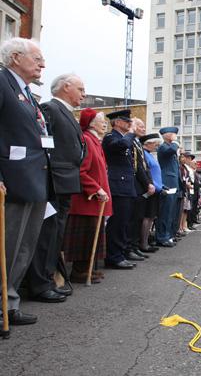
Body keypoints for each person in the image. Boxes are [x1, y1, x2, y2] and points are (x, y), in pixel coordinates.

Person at [0, 37, 48, 325]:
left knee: (24, 247)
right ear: (16, 57)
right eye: (37, 58)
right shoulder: (3, 82)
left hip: (34, 179)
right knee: (6, 246)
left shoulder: (27, 93)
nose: (43, 64)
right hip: (12, 181)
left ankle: (9, 302)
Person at [27, 73, 86, 302]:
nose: (84, 94)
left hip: (66, 180)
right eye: (80, 89)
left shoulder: (67, 112)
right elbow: (44, 143)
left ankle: (48, 278)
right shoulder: (50, 108)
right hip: (54, 179)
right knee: (47, 234)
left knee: (56, 234)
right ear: (66, 87)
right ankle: (39, 283)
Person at [63, 108, 112, 284]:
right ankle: (80, 270)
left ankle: (89, 269)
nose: (105, 123)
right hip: (87, 200)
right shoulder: (87, 140)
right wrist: (95, 188)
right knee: (84, 238)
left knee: (93, 237)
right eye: (101, 120)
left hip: (95, 201)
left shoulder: (96, 142)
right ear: (91, 123)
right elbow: (81, 170)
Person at [102, 109, 139, 269]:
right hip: (118, 185)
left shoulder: (123, 138)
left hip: (126, 185)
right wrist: (131, 133)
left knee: (124, 222)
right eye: (127, 121)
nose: (130, 124)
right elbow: (122, 145)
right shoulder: (111, 137)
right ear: (117, 122)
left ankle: (120, 253)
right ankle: (114, 257)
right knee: (117, 223)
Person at [126, 117, 154, 261]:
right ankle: (130, 247)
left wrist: (149, 182)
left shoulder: (137, 143)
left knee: (138, 218)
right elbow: (138, 168)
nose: (144, 129)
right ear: (133, 126)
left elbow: (145, 167)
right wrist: (147, 183)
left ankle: (135, 246)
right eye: (140, 126)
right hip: (135, 185)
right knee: (133, 219)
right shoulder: (131, 141)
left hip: (142, 186)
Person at [156, 127, 181, 247]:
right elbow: (170, 151)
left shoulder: (170, 148)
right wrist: (176, 142)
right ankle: (162, 236)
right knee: (165, 211)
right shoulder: (163, 147)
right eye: (172, 134)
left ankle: (169, 234)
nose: (174, 136)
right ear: (165, 135)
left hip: (173, 183)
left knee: (171, 211)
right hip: (167, 182)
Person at [139, 133, 162, 253]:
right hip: (150, 190)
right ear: (147, 143)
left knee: (151, 217)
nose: (156, 145)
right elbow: (146, 172)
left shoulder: (151, 155)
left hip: (156, 189)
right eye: (155, 143)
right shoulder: (145, 154)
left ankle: (146, 241)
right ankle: (143, 243)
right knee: (147, 217)